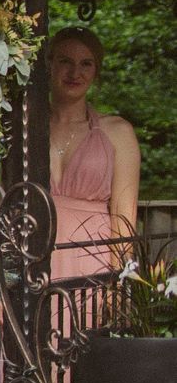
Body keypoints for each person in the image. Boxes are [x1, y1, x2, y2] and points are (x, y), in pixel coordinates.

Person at [47, 27, 140, 281]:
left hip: (92, 261)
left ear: (95, 71)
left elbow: (123, 216)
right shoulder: (26, 127)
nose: (75, 73)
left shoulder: (118, 132)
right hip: (34, 252)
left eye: (85, 63)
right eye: (65, 61)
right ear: (50, 64)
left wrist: (118, 281)